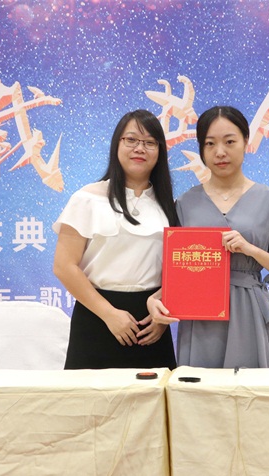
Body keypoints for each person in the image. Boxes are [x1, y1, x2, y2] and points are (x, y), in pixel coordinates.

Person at [148, 106, 269, 368]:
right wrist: (156, 298)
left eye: (229, 141)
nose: (220, 152)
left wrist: (251, 250)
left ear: (245, 142)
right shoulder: (185, 203)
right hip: (200, 315)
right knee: (200, 388)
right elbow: (181, 271)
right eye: (210, 144)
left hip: (248, 310)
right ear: (201, 149)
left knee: (250, 389)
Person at [53, 109, 179, 369]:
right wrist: (109, 314)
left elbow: (180, 271)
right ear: (116, 145)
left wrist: (162, 314)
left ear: (160, 151)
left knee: (155, 395)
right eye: (131, 139)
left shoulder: (170, 205)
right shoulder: (87, 198)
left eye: (149, 142)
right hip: (97, 317)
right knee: (90, 395)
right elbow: (64, 266)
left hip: (151, 325)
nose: (139, 148)